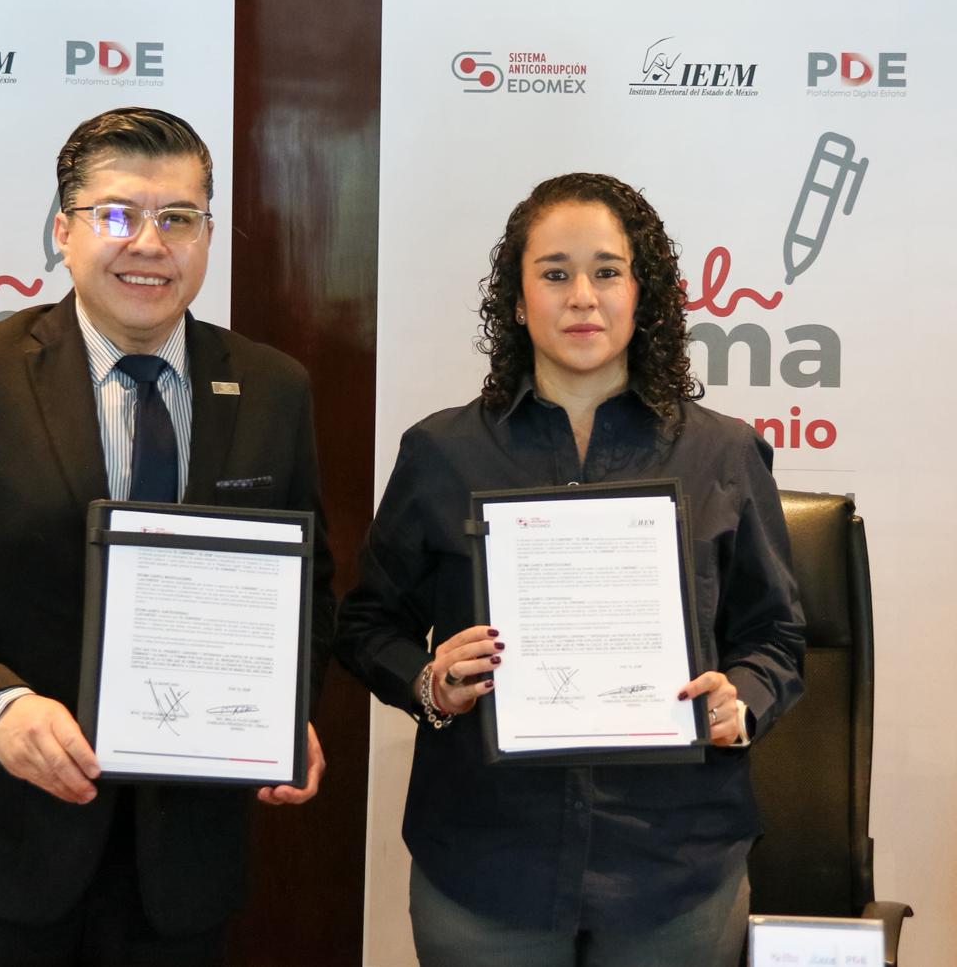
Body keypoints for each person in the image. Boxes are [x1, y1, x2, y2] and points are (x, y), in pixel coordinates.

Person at [0, 107, 334, 967]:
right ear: (63, 232)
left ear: (207, 236)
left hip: (179, 871)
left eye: (178, 218)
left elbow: (308, 583)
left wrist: (283, 705)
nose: (149, 243)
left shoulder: (271, 387)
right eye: (116, 215)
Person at [335, 173, 804, 966]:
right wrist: (428, 681)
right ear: (518, 302)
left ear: (642, 294)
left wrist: (742, 699)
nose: (582, 296)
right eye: (555, 273)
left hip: (675, 864)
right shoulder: (442, 452)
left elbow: (778, 636)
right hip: (485, 861)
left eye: (607, 271)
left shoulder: (721, 452)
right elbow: (367, 623)